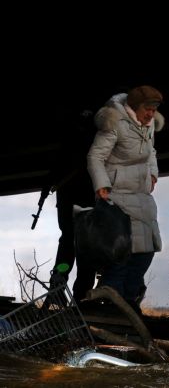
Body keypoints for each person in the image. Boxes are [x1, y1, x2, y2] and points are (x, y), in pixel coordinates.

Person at [87, 85, 164, 311]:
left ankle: (128, 301)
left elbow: (151, 152)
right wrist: (102, 184)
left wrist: (153, 173)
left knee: (145, 253)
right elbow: (95, 156)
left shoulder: (149, 125)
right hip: (117, 195)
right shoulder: (115, 122)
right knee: (120, 256)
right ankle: (111, 306)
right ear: (134, 107)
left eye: (154, 109)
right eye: (147, 108)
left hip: (142, 196)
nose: (151, 114)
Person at [44, 108, 98, 301]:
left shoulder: (68, 142)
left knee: (68, 244)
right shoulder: (96, 140)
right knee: (84, 247)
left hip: (68, 199)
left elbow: (54, 171)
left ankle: (58, 288)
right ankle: (81, 294)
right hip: (85, 200)